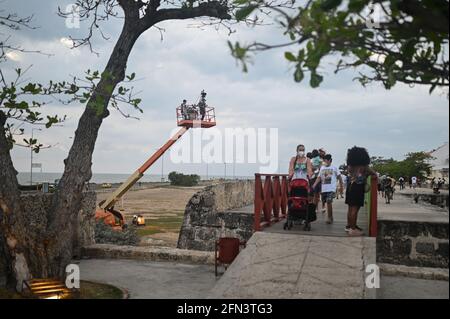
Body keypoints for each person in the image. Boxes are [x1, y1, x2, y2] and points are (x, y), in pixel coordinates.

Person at [344, 146, 376, 236]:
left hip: (350, 186)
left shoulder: (350, 167)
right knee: (355, 209)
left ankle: (349, 226)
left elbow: (350, 173)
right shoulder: (364, 167)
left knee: (350, 208)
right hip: (358, 188)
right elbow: (374, 174)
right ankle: (353, 230)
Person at [312, 154, 344, 224]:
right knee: (326, 202)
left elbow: (339, 177)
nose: (324, 161)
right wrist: (314, 185)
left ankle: (329, 217)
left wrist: (341, 186)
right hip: (324, 189)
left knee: (329, 201)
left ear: (330, 160)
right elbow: (319, 177)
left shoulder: (334, 168)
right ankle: (331, 216)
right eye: (324, 160)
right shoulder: (322, 168)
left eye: (326, 160)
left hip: (331, 188)